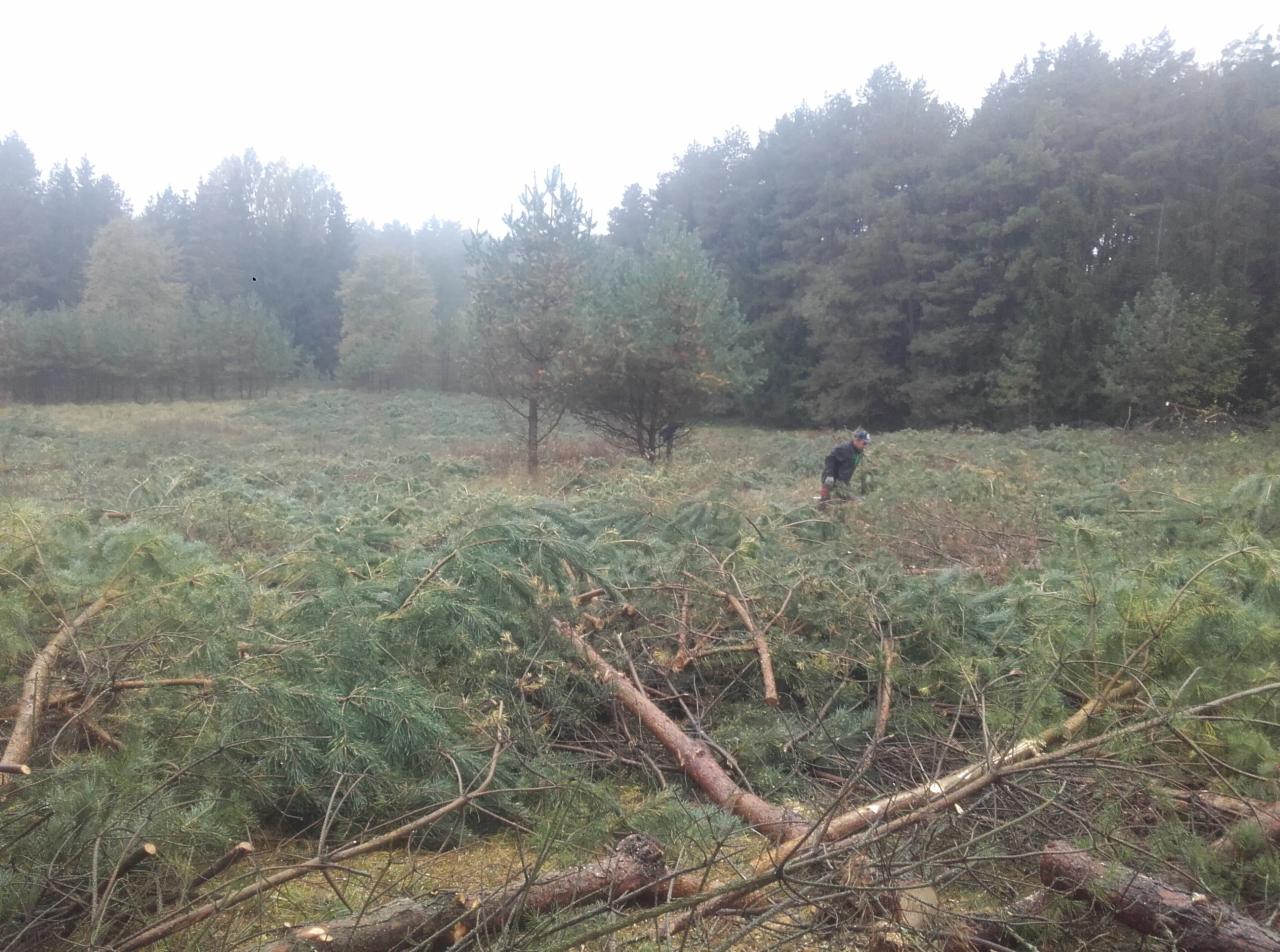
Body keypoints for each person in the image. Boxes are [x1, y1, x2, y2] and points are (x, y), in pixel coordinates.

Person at [820, 429, 870, 502]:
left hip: (843, 482)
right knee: (825, 502)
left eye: (867, 444)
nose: (865, 446)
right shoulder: (844, 449)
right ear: (857, 440)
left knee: (843, 501)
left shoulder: (858, 452)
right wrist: (829, 475)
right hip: (831, 479)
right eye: (864, 443)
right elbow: (829, 459)